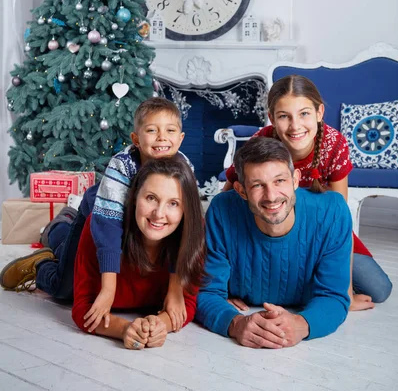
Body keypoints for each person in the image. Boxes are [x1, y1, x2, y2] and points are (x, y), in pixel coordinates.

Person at [1, 98, 192, 331]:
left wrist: (175, 290)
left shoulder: (184, 169)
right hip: (97, 216)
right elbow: (108, 227)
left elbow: (184, 230)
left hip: (133, 225)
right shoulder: (122, 166)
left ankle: (60, 230)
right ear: (136, 140)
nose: (162, 137)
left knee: (67, 252)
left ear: (181, 139)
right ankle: (42, 261)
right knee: (64, 288)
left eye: (170, 130)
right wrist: (108, 289)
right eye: (152, 130)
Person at [223, 75, 392, 309]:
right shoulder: (260, 142)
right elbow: (226, 202)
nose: (295, 126)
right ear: (271, 118)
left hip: (320, 234)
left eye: (304, 113)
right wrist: (224, 287)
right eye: (284, 116)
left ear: (319, 113)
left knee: (379, 288)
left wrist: (345, 294)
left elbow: (339, 219)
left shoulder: (334, 145)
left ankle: (314, 286)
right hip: (270, 231)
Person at [196, 136, 353, 348]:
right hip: (269, 270)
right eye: (258, 185)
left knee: (374, 285)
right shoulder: (221, 211)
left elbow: (334, 295)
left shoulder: (332, 211)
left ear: (296, 179)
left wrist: (301, 323)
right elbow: (207, 292)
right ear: (241, 190)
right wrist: (235, 322)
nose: (271, 196)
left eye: (280, 181)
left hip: (321, 247)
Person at [72, 156, 205, 348]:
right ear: (134, 198)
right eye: (151, 198)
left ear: (186, 209)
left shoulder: (193, 234)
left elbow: (186, 306)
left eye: (173, 203)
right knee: (61, 284)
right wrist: (124, 328)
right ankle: (60, 223)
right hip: (80, 226)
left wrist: (159, 325)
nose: (159, 214)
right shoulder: (102, 229)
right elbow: (82, 309)